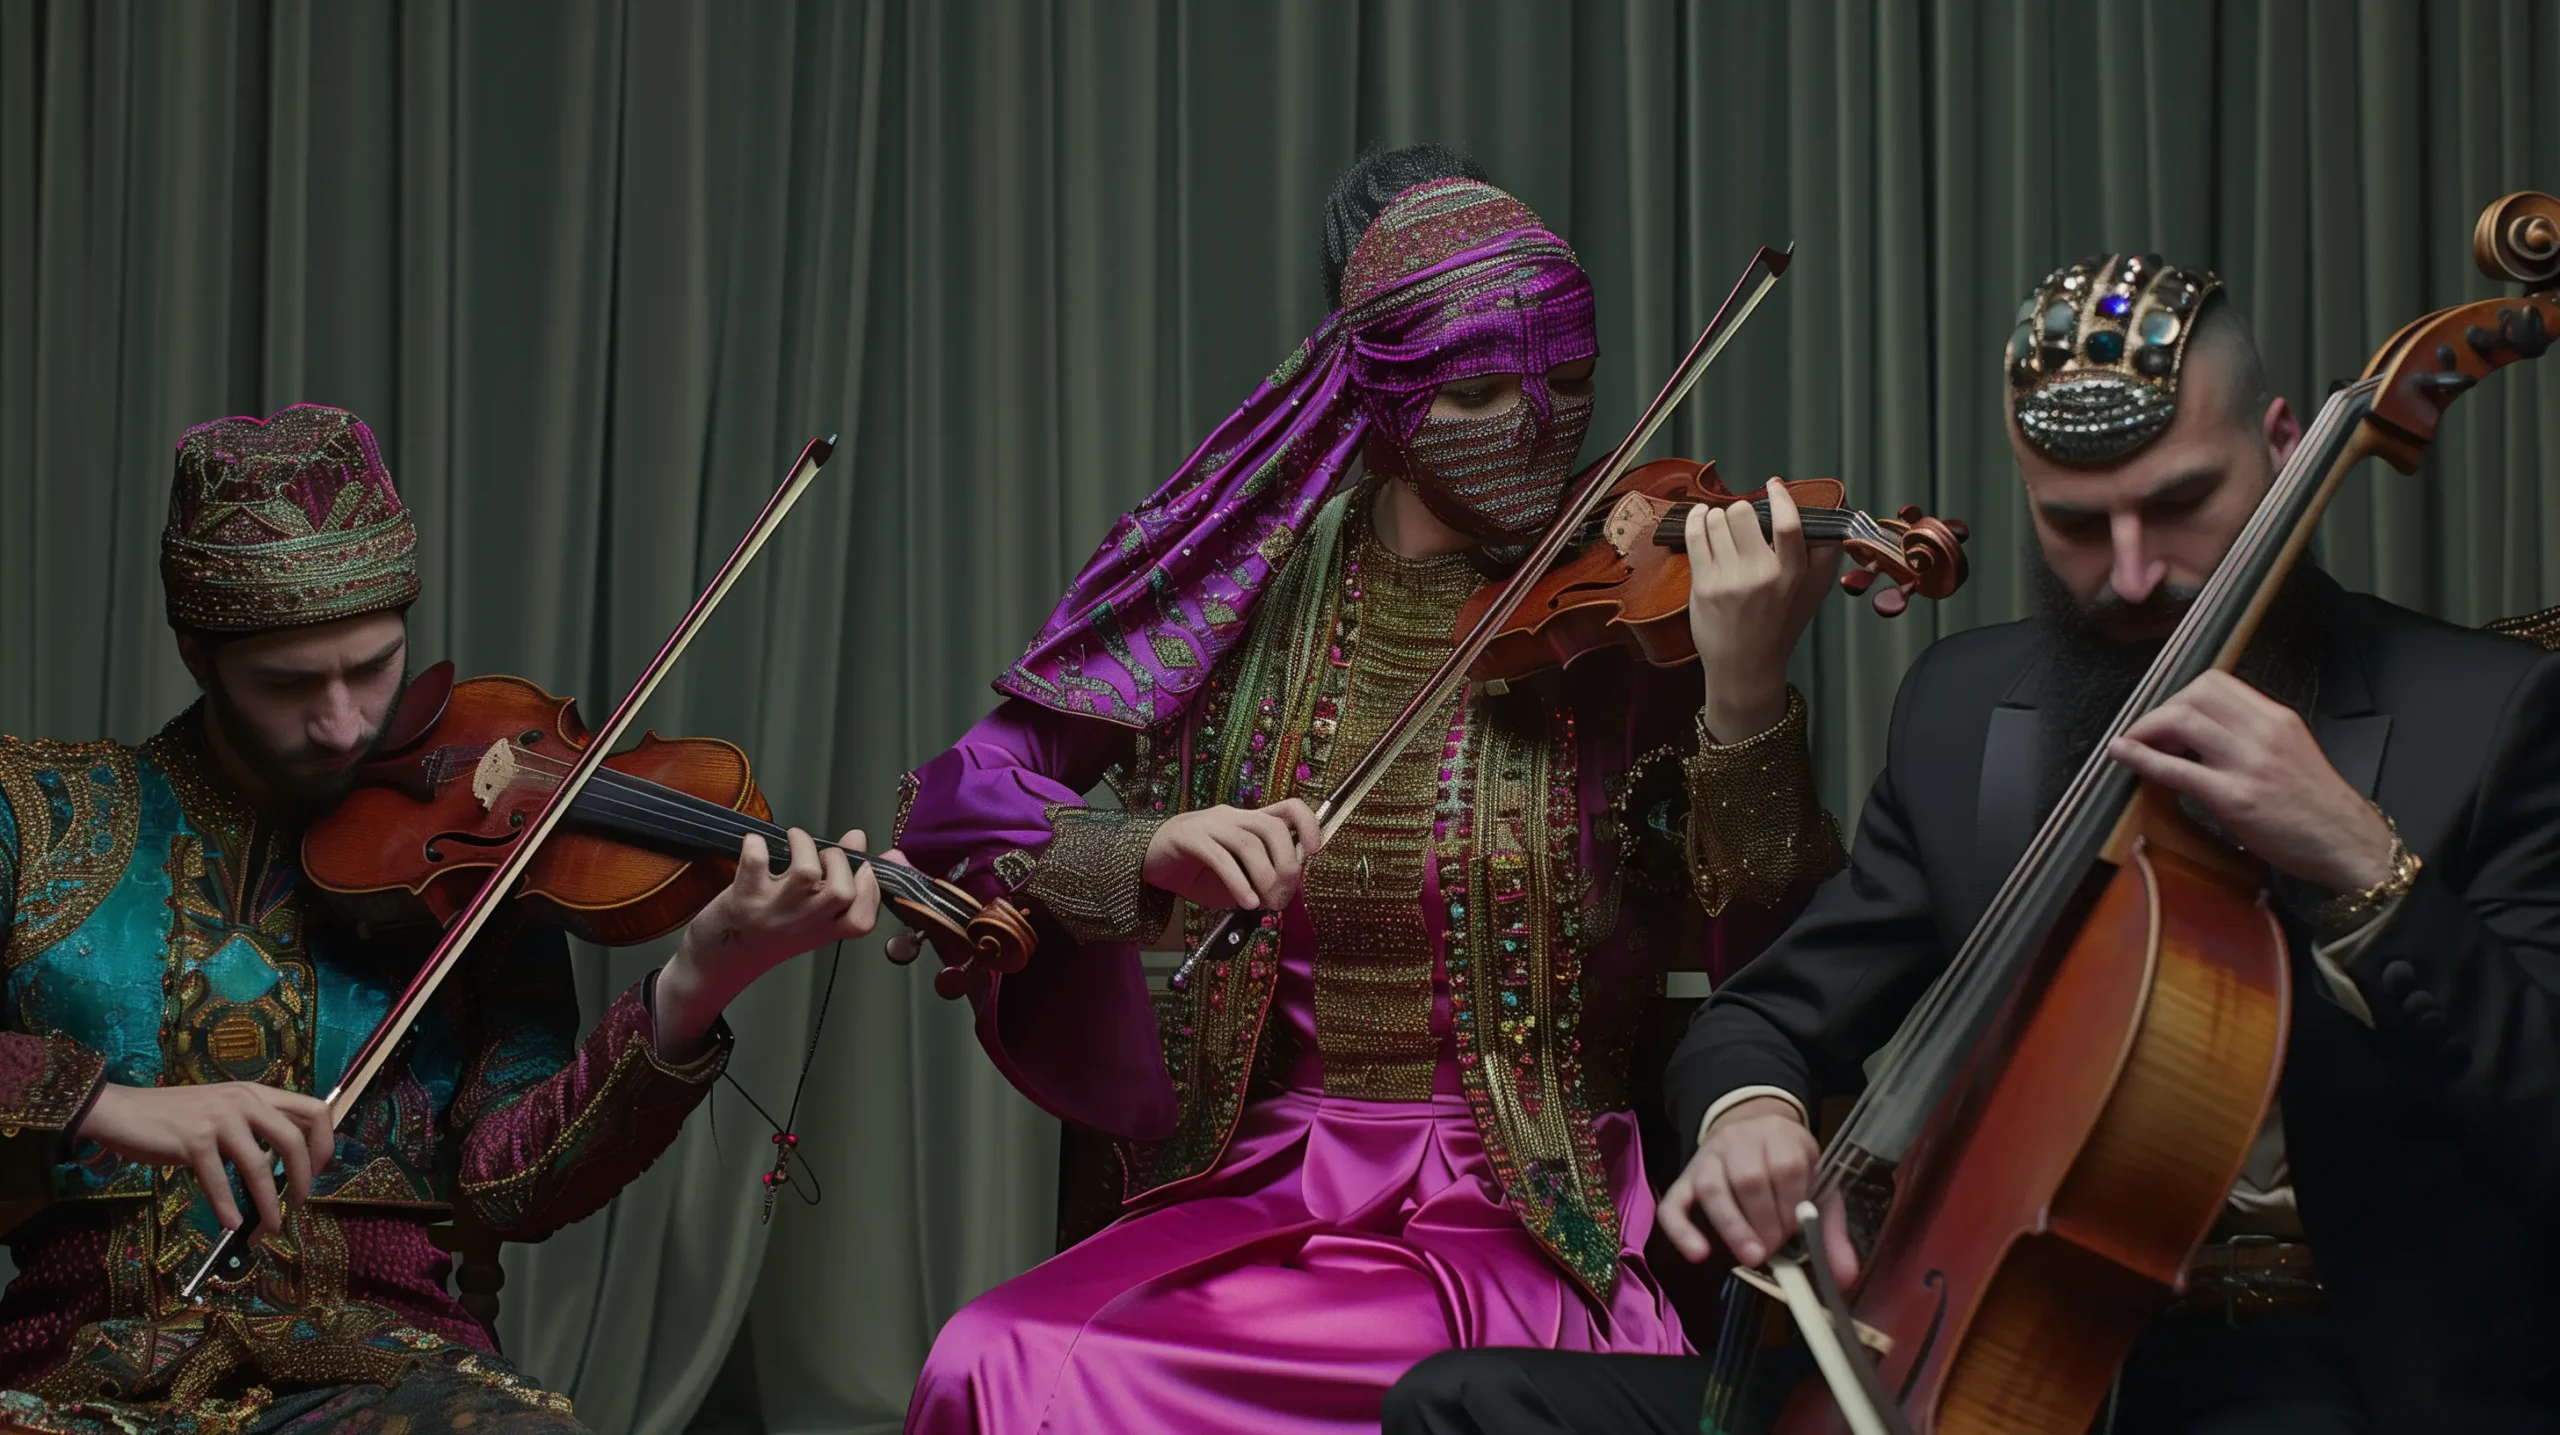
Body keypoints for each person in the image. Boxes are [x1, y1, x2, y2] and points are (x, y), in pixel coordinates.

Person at [1384, 256, 2560, 1432]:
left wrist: (2365, 868)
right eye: (2075, 524)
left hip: (2321, 1363)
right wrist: (1752, 1113)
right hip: (1970, 1345)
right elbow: (1767, 1013)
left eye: (2181, 502)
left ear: (2284, 447)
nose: (2134, 573)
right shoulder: (1966, 705)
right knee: (1466, 1404)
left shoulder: (2488, 714)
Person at [886, 145, 1850, 1434]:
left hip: (1524, 1207)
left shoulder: (1646, 606)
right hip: (1259, 1188)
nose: (1535, 426)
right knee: (991, 1357)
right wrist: (1145, 846)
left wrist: (1746, 698)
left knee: (1443, 1400)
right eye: (1476, 394)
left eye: (1569, 382)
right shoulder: (1239, 580)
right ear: (1377, 395)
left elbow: (1782, 972)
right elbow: (954, 805)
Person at [0, 405, 883, 1433]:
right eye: (289, 683)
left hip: (386, 1375)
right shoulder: (37, 816)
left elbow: (515, 1185)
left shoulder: (475, 858)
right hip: (79, 1374)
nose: (342, 722)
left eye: (374, 666)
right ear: (198, 653)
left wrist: (697, 985)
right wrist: (103, 1102)